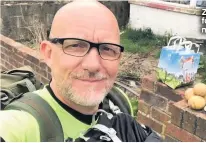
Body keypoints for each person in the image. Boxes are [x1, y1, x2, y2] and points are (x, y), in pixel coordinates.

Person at [0, 0, 161, 142]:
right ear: (48, 53)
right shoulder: (21, 124)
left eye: (107, 49)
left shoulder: (119, 101)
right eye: (76, 45)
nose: (93, 65)